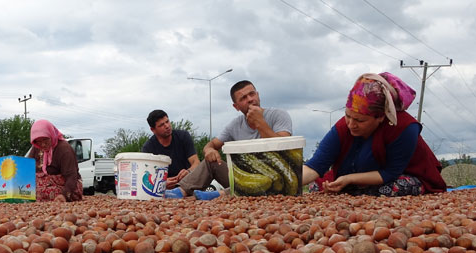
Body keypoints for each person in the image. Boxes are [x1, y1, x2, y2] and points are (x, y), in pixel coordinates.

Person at [302, 72, 446, 196]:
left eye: (360, 120)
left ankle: (353, 190)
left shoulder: (404, 127)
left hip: (396, 177)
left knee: (389, 189)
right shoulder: (342, 127)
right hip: (348, 178)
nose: (351, 124)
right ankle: (352, 190)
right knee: (316, 186)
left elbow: (389, 173)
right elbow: (315, 166)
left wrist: (349, 179)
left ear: (381, 117)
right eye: (347, 116)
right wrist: (286, 183)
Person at [164, 80, 292, 200]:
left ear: (258, 95)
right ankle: (181, 191)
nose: (250, 99)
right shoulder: (235, 124)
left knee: (264, 180)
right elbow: (213, 143)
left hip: (275, 177)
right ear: (236, 106)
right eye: (243, 98)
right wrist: (209, 150)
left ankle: (220, 194)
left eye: (252, 94)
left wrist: (259, 122)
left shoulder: (278, 115)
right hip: (242, 177)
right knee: (212, 162)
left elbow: (283, 147)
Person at [27, 119, 83, 202]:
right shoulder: (36, 147)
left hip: (68, 186)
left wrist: (64, 195)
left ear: (51, 135)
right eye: (39, 141)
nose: (42, 144)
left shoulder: (64, 149)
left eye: (45, 140)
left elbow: (71, 176)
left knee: (40, 192)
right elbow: (27, 167)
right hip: (45, 185)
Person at [141, 110, 200, 188]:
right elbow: (146, 175)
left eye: (167, 121)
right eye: (161, 125)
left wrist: (188, 171)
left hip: (187, 184)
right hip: (161, 190)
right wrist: (162, 183)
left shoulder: (183, 136)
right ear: (153, 130)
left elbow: (196, 162)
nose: (167, 126)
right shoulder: (148, 148)